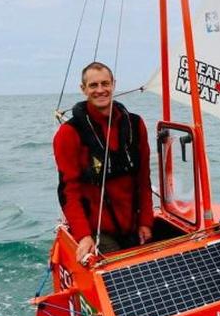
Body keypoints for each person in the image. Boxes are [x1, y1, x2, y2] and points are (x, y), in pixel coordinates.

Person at [53, 62, 153, 262]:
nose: (100, 90)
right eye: (93, 85)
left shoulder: (135, 124)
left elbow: (143, 179)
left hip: (133, 225)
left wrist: (146, 221)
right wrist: (83, 235)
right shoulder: (68, 133)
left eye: (105, 84)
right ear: (83, 89)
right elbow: (68, 190)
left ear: (113, 84)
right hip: (98, 232)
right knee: (121, 276)